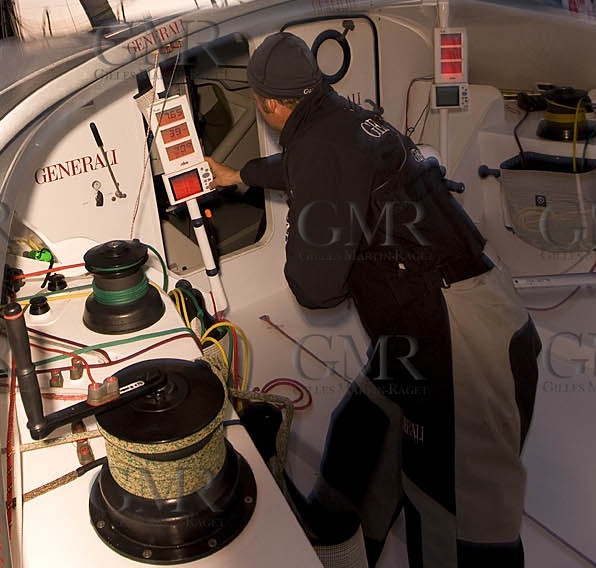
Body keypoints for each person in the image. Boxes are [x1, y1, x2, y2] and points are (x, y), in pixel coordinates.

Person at [207, 32, 540, 567]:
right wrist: (239, 174)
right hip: (427, 322)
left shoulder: (319, 147)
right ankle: (337, 544)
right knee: (362, 433)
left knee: (451, 512)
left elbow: (316, 291)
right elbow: (311, 166)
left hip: (465, 342)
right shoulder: (344, 119)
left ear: (268, 104)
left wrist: (306, 225)